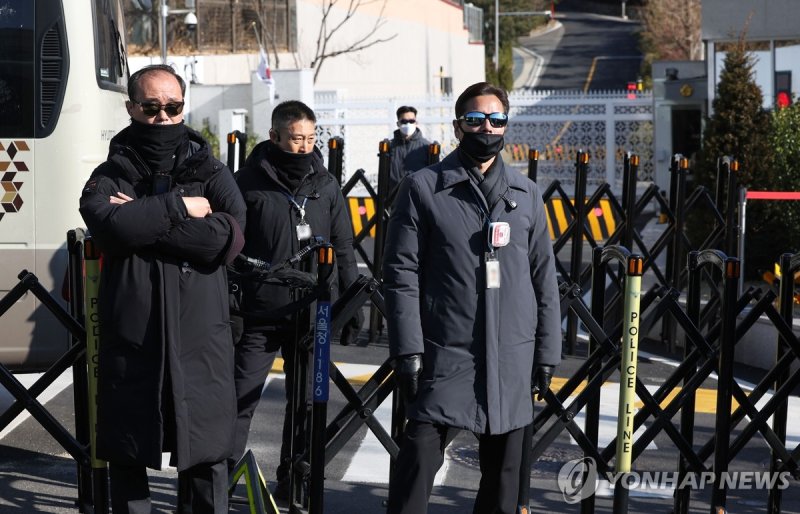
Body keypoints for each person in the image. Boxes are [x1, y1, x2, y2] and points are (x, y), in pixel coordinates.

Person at [383, 82, 562, 514]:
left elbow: (544, 276)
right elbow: (400, 272)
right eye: (476, 119)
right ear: (458, 126)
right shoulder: (423, 188)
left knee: (504, 485)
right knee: (416, 470)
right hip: (445, 352)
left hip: (512, 358)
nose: (487, 128)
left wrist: (547, 352)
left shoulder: (525, 194)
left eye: (497, 120)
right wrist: (408, 350)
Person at [79, 64, 246, 514]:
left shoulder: (211, 170)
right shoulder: (109, 173)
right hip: (132, 340)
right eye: (151, 108)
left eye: (172, 107)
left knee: (207, 455)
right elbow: (109, 227)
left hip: (202, 342)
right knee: (128, 454)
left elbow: (224, 240)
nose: (163, 117)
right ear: (131, 107)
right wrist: (178, 207)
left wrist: (145, 217)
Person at [232, 100, 362, 499]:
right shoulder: (246, 182)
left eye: (309, 138)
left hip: (310, 315)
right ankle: (220, 483)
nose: (304, 147)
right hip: (259, 311)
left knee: (305, 403)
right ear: (274, 137)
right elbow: (229, 244)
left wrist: (351, 301)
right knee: (240, 397)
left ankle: (294, 481)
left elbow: (343, 246)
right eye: (295, 139)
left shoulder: (325, 185)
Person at [388, 105, 432, 196]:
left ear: (416, 122)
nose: (408, 124)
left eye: (411, 121)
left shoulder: (426, 146)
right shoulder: (390, 146)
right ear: (398, 123)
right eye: (404, 121)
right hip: (393, 198)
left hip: (419, 196)